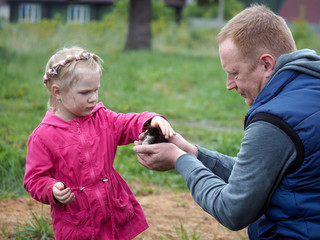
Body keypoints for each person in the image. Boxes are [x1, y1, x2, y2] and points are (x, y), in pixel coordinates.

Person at [133, 5, 320, 240]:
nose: (229, 84)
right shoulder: (311, 88)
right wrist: (193, 152)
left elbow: (233, 210)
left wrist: (179, 160)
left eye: (234, 73)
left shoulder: (274, 121)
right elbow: (258, 173)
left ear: (266, 64)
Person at [23, 46, 175, 240]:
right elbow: (34, 179)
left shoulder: (103, 118)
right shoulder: (43, 137)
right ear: (57, 91)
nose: (93, 98)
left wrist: (150, 119)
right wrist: (51, 189)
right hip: (76, 221)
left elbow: (127, 122)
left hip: (112, 211)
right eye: (85, 92)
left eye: (96, 90)